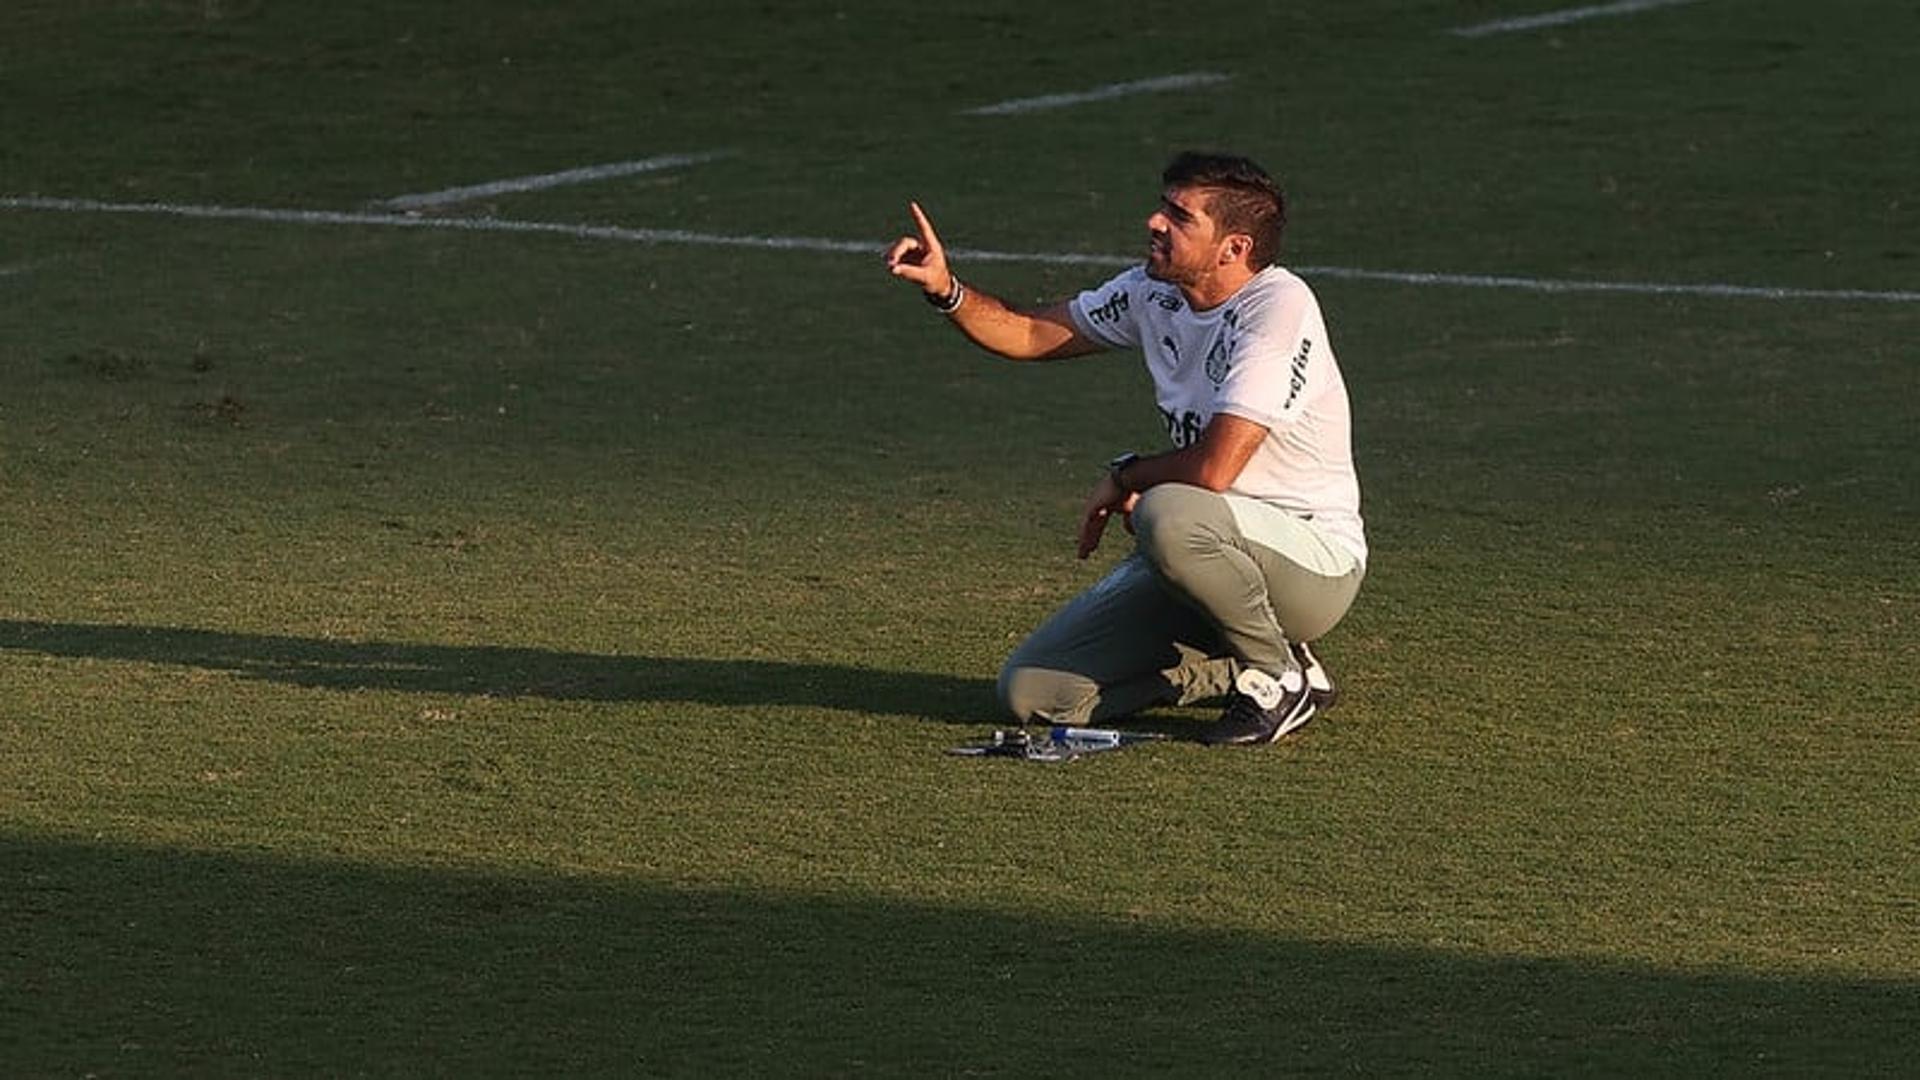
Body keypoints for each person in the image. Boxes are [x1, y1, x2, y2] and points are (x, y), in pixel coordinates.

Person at [885, 151, 1366, 746]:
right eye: (1164, 207)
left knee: (1165, 510)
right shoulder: (1152, 294)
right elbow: (1032, 333)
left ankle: (1276, 676)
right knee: (1033, 695)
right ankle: (1246, 666)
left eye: (1179, 216)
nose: (1154, 222)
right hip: (1200, 547)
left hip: (1312, 563)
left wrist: (1127, 475)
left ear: (1234, 249)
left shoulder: (1277, 309)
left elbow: (1214, 469)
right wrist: (946, 289)